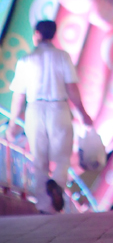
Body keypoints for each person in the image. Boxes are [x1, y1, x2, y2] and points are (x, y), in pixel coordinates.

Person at [6, 20, 93, 214]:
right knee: (63, 158)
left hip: (35, 110)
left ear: (37, 34)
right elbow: (72, 88)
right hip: (59, 108)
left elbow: (19, 95)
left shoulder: (26, 59)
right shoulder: (63, 57)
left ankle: (44, 207)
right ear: (53, 34)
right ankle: (57, 185)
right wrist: (83, 114)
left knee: (40, 161)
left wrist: (13, 123)